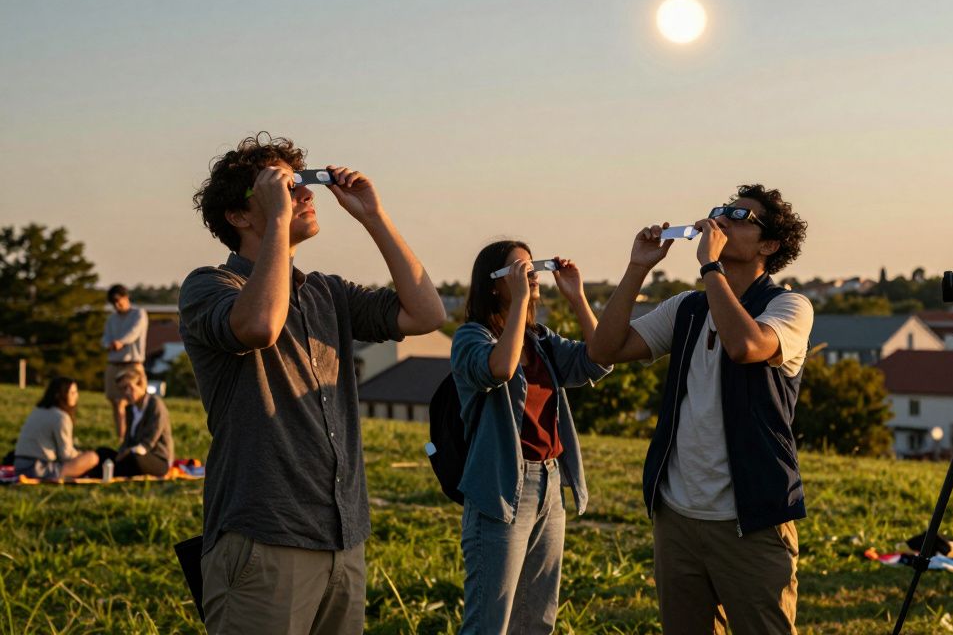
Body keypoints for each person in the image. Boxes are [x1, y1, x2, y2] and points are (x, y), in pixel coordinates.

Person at [179, 133, 446, 634]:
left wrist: (373, 216)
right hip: (263, 540)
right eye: (285, 186)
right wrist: (279, 218)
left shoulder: (328, 292)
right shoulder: (209, 286)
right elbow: (259, 326)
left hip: (343, 539)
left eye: (302, 185)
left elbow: (426, 313)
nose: (304, 195)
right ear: (240, 215)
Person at [588, 184, 814, 635]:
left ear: (769, 245)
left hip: (751, 521)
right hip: (677, 519)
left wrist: (710, 266)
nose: (722, 218)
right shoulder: (687, 308)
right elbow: (603, 348)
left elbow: (746, 345)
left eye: (739, 215)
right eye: (719, 210)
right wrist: (637, 269)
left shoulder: (789, 306)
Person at [450, 242, 611, 634]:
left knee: (537, 620)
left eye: (531, 267)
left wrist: (576, 298)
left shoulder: (540, 341)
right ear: (493, 285)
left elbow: (601, 359)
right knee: (490, 622)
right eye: (520, 270)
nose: (531, 276)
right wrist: (522, 298)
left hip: (550, 484)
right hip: (502, 488)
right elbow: (500, 370)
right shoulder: (471, 338)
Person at [13, 377, 102, 480]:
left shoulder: (38, 410)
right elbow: (66, 455)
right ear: (61, 395)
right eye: (72, 393)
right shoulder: (61, 417)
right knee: (92, 457)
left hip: (19, 466)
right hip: (39, 469)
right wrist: (80, 455)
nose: (76, 396)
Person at [102, 284, 148, 442]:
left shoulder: (139, 314)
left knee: (137, 401)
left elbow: (133, 333)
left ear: (125, 297)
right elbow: (105, 338)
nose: (116, 305)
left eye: (118, 300)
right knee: (116, 402)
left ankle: (140, 435)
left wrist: (120, 342)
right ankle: (122, 437)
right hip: (114, 363)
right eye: (112, 302)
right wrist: (108, 344)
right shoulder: (111, 319)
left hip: (132, 364)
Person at [112, 365, 174, 477]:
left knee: (133, 459)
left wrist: (128, 452)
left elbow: (150, 440)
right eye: (122, 389)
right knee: (105, 454)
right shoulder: (130, 408)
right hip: (133, 453)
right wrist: (121, 453)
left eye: (129, 387)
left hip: (156, 457)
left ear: (141, 385)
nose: (126, 393)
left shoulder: (155, 404)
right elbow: (127, 439)